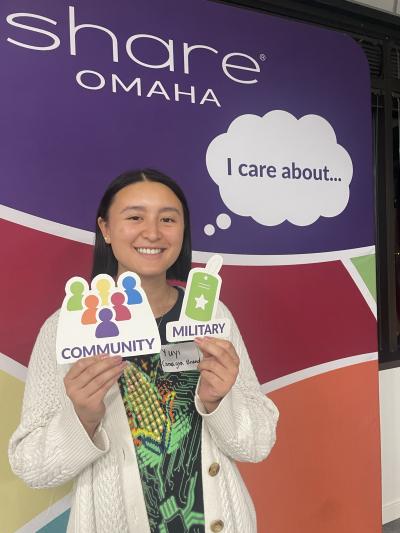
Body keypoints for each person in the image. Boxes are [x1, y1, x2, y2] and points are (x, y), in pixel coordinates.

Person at [9, 169, 279, 533]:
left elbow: (257, 444)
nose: (152, 232)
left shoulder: (211, 314)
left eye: (168, 219)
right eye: (135, 217)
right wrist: (83, 419)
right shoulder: (67, 328)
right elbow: (32, 467)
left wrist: (219, 402)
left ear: (182, 230)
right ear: (105, 229)